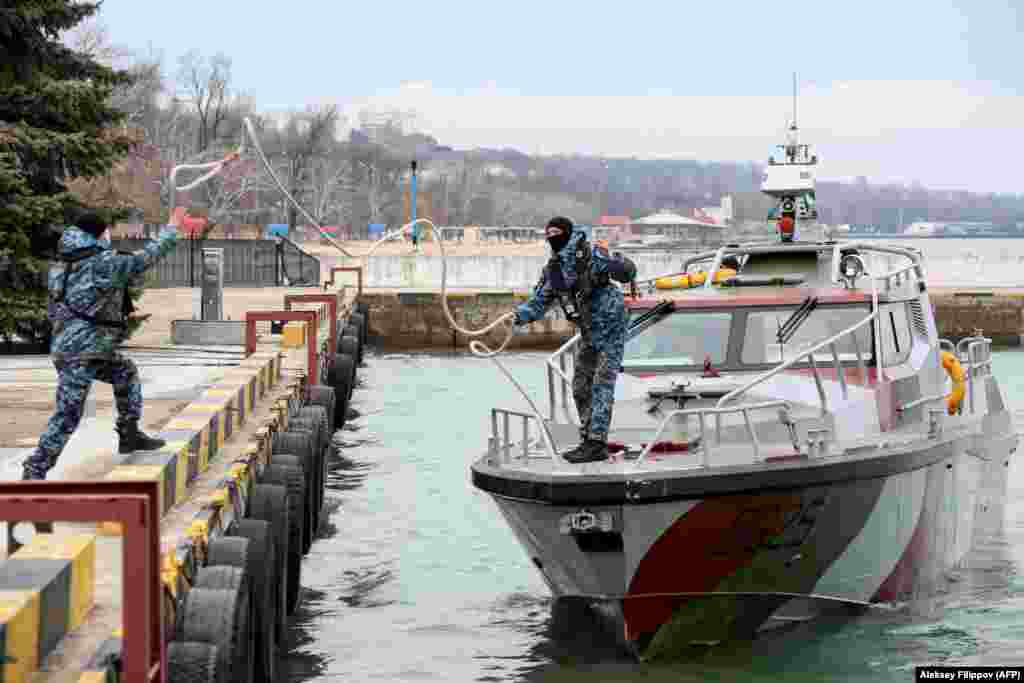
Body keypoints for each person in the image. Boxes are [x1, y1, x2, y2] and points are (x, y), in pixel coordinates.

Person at [22, 208, 185, 480]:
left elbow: (57, 308)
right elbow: (143, 260)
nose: (110, 236)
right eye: (107, 232)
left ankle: (129, 434)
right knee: (68, 415)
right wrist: (170, 229)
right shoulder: (100, 262)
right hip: (81, 352)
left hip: (79, 347)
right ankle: (34, 469)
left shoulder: (62, 264)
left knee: (125, 373)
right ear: (97, 235)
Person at [512, 217, 637, 463]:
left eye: (557, 232)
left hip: (611, 327)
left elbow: (626, 273)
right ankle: (588, 436)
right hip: (590, 332)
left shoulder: (590, 257)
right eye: (548, 233)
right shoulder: (555, 270)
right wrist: (517, 317)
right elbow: (540, 302)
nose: (552, 236)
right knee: (580, 385)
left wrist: (618, 264)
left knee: (602, 383)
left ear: (567, 233)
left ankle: (596, 443)